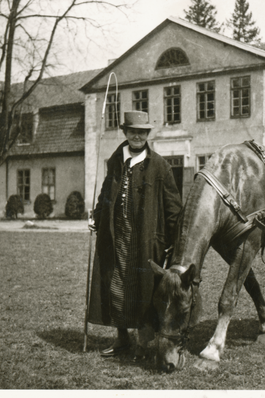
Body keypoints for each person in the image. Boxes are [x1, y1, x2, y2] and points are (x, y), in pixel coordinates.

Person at [87, 110, 182, 358]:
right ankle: (121, 339)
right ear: (125, 132)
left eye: (142, 132)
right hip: (116, 235)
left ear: (147, 134)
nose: (137, 136)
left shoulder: (160, 166)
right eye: (132, 132)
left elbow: (173, 207)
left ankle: (142, 342)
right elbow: (106, 195)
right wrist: (96, 218)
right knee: (115, 285)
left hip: (147, 240)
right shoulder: (115, 161)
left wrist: (174, 242)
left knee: (144, 289)